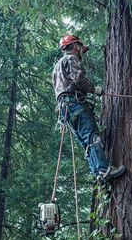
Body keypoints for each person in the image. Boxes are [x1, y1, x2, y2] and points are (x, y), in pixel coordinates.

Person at [52, 34, 126, 182]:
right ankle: (104, 170)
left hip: (65, 110)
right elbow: (79, 79)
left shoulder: (56, 68)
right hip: (75, 104)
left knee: (86, 141)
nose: (81, 52)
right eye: (80, 48)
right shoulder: (70, 59)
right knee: (92, 136)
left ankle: (98, 174)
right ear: (74, 46)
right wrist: (94, 89)